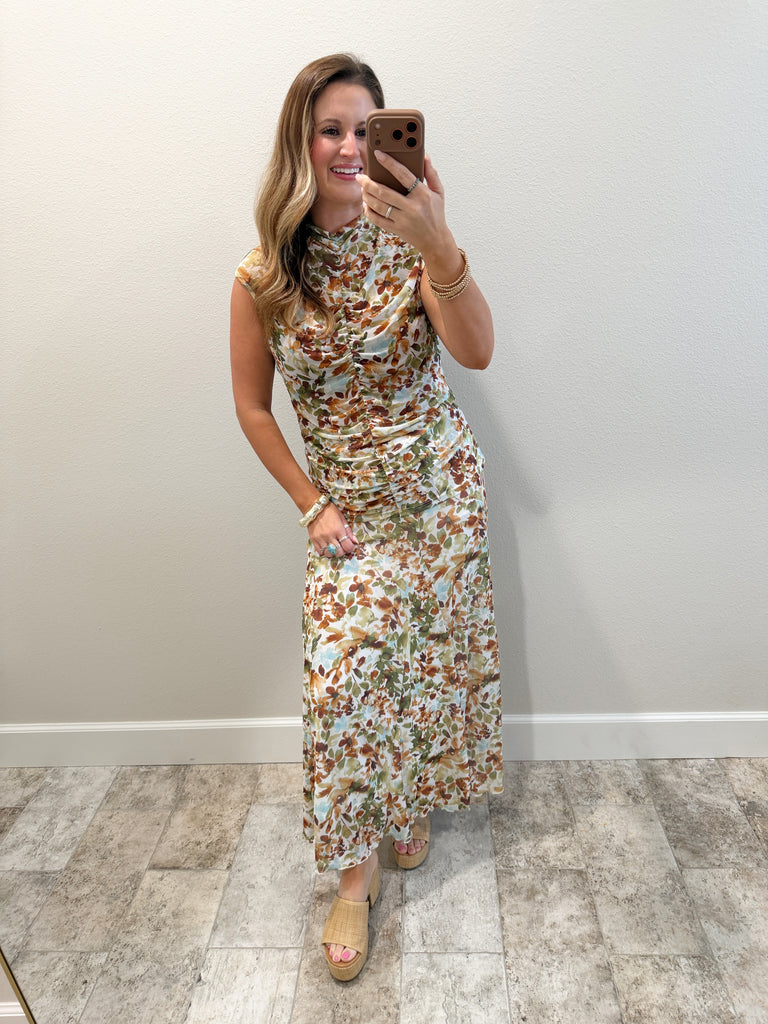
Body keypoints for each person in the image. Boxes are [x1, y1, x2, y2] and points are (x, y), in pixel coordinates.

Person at [230, 53, 503, 981]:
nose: (351, 147)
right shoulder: (263, 275)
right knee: (342, 683)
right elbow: (253, 408)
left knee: (423, 668)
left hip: (437, 499)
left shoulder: (414, 243)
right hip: (347, 518)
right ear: (300, 143)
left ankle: (408, 802)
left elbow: (477, 352)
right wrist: (310, 504)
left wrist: (439, 241)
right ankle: (357, 875)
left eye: (366, 129)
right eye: (331, 129)